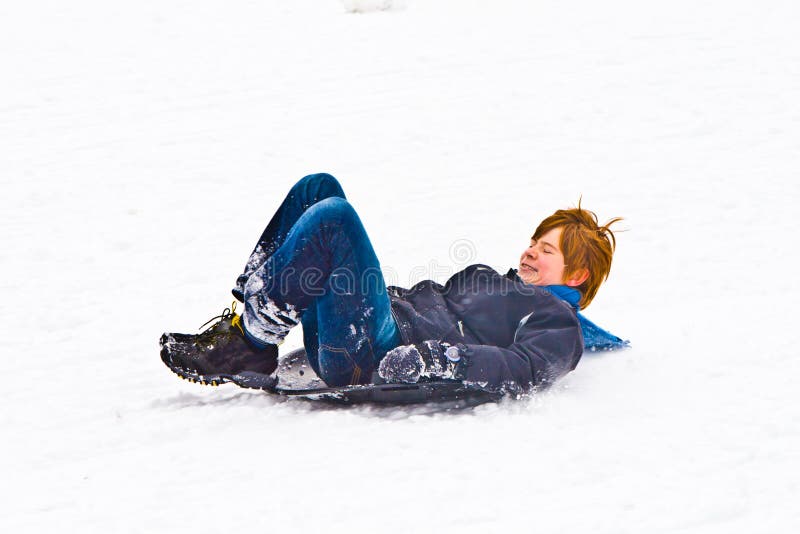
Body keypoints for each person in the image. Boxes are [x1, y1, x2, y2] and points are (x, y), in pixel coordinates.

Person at [160, 172, 623, 394]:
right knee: (317, 190)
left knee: (334, 219)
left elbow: (525, 370)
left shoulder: (556, 322)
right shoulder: (493, 282)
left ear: (577, 275)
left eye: (547, 251)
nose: (529, 251)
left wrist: (440, 359)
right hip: (367, 325)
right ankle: (247, 321)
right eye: (533, 241)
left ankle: (254, 339)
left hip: (377, 354)